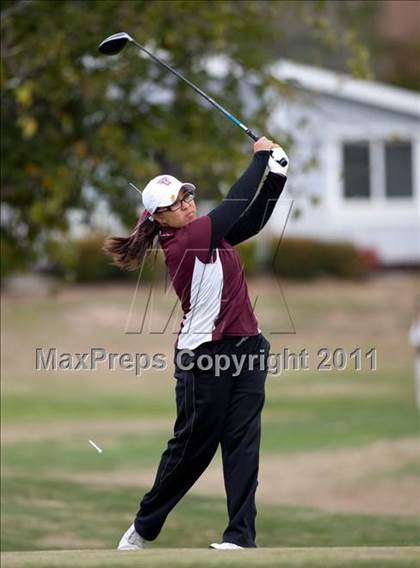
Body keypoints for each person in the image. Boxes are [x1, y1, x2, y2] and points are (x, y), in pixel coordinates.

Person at [103, 136, 289, 550]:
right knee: (193, 448)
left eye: (186, 195)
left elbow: (251, 220)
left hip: (248, 348)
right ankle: (145, 525)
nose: (187, 203)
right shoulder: (186, 241)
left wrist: (276, 176)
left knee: (243, 442)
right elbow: (235, 205)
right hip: (203, 357)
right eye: (175, 203)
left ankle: (240, 537)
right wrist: (260, 158)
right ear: (159, 219)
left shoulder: (209, 234)